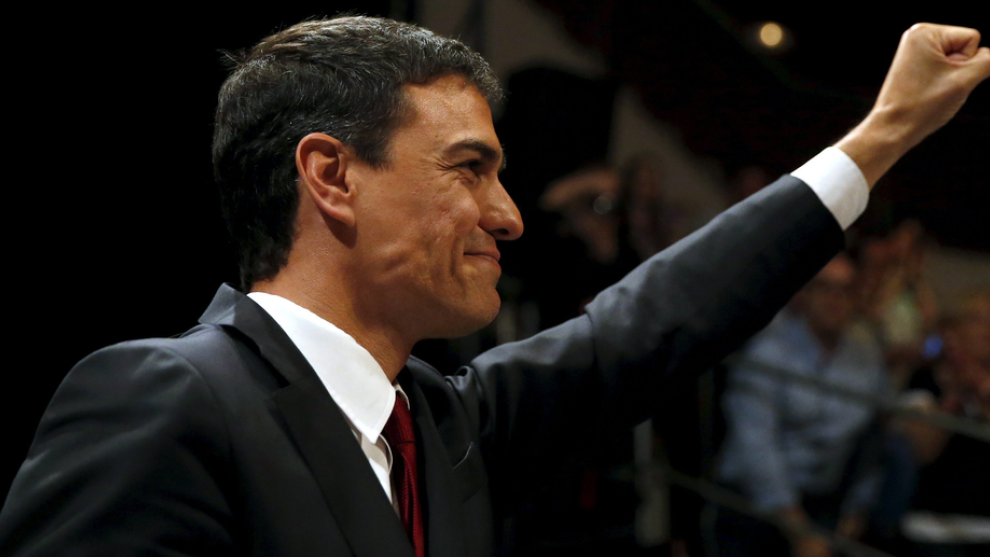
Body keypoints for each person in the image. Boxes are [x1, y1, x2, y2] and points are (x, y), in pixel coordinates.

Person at [1, 15, 988, 557]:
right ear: (332, 176)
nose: (509, 215)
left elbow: (653, 321)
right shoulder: (164, 398)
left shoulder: (444, 426)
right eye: (469, 169)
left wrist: (883, 136)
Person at [714, 254, 891, 557]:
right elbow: (755, 446)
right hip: (755, 498)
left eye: (845, 289)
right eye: (824, 288)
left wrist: (855, 513)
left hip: (826, 498)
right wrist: (799, 530)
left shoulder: (867, 358)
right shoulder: (768, 352)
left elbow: (875, 441)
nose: (835, 299)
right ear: (804, 294)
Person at [898, 292, 990, 556]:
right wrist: (955, 395)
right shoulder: (926, 378)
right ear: (956, 330)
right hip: (933, 529)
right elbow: (923, 451)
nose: (986, 329)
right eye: (977, 319)